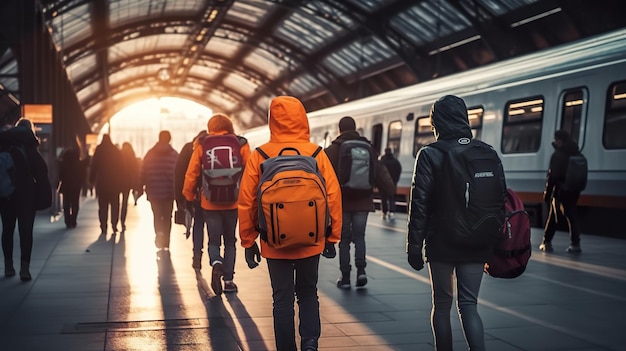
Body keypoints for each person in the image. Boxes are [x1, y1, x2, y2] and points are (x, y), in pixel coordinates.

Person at [238, 96, 342, 351]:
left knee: (281, 299)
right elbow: (333, 196)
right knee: (308, 292)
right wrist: (332, 237)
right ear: (302, 118)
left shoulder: (260, 154)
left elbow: (247, 201)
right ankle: (310, 343)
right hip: (312, 240)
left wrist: (248, 241)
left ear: (271, 119)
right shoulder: (316, 152)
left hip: (274, 242)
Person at [406, 95, 505, 351]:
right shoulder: (486, 151)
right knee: (469, 305)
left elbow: (420, 205)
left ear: (436, 122)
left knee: (441, 304)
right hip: (477, 239)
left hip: (442, 241)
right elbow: (500, 199)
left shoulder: (429, 154)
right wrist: (493, 240)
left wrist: (414, 247)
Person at [324, 116, 395, 289]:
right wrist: (389, 189)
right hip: (363, 202)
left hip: (341, 204)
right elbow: (381, 173)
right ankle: (362, 271)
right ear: (355, 128)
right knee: (359, 238)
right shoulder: (369, 148)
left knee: (344, 241)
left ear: (339, 129)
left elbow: (323, 177)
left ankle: (345, 277)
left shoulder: (332, 150)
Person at [183, 115, 250, 293]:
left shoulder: (203, 143)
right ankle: (228, 281)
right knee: (230, 241)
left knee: (214, 241)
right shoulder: (241, 143)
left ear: (210, 126)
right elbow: (251, 172)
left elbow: (192, 173)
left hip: (209, 202)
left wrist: (188, 196)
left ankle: (216, 262)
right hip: (233, 202)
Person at [0, 117, 50, 281]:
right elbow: (42, 173)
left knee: (7, 230)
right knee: (25, 233)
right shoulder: (30, 149)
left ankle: (8, 266)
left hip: (7, 196)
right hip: (26, 197)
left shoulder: (5, 147)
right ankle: (24, 269)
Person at [540, 130, 584, 253]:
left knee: (553, 217)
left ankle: (547, 242)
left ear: (559, 140)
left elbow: (552, 177)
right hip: (574, 190)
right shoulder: (576, 152)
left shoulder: (558, 155)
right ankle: (575, 244)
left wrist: (547, 194)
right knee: (570, 215)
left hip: (560, 191)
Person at [140, 130, 179, 250]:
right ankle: (166, 240)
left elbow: (143, 172)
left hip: (153, 191)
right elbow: (178, 174)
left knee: (157, 215)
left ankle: (159, 233)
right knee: (168, 216)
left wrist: (140, 187)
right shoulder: (174, 155)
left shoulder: (149, 154)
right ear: (169, 139)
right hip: (169, 192)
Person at [175, 130, 207, 269]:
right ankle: (216, 258)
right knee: (214, 228)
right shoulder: (213, 148)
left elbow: (179, 173)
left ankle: (197, 256)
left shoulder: (189, 148)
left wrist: (180, 199)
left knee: (198, 225)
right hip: (213, 196)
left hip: (195, 195)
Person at [89, 134, 123, 234]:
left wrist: (91, 178)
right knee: (115, 206)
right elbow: (121, 167)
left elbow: (94, 165)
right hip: (114, 184)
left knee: (103, 207)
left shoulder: (99, 150)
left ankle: (103, 226)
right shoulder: (115, 151)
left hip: (102, 184)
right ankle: (114, 225)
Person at [58, 147, 87, 228]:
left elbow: (60, 176)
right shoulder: (80, 164)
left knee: (66, 204)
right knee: (75, 203)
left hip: (66, 186)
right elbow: (83, 175)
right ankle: (73, 220)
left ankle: (67, 221)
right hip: (76, 187)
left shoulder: (64, 163)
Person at [119, 142, 140, 232]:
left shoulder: (119, 155)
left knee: (115, 203)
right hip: (128, 183)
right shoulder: (132, 156)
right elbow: (136, 170)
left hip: (118, 182)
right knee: (124, 203)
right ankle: (122, 221)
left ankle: (114, 222)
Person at [379, 147, 402, 220]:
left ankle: (384, 212)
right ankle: (392, 212)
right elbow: (399, 170)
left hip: (383, 182)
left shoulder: (382, 160)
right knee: (392, 197)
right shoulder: (395, 160)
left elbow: (379, 171)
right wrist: (396, 180)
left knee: (383, 198)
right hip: (393, 182)